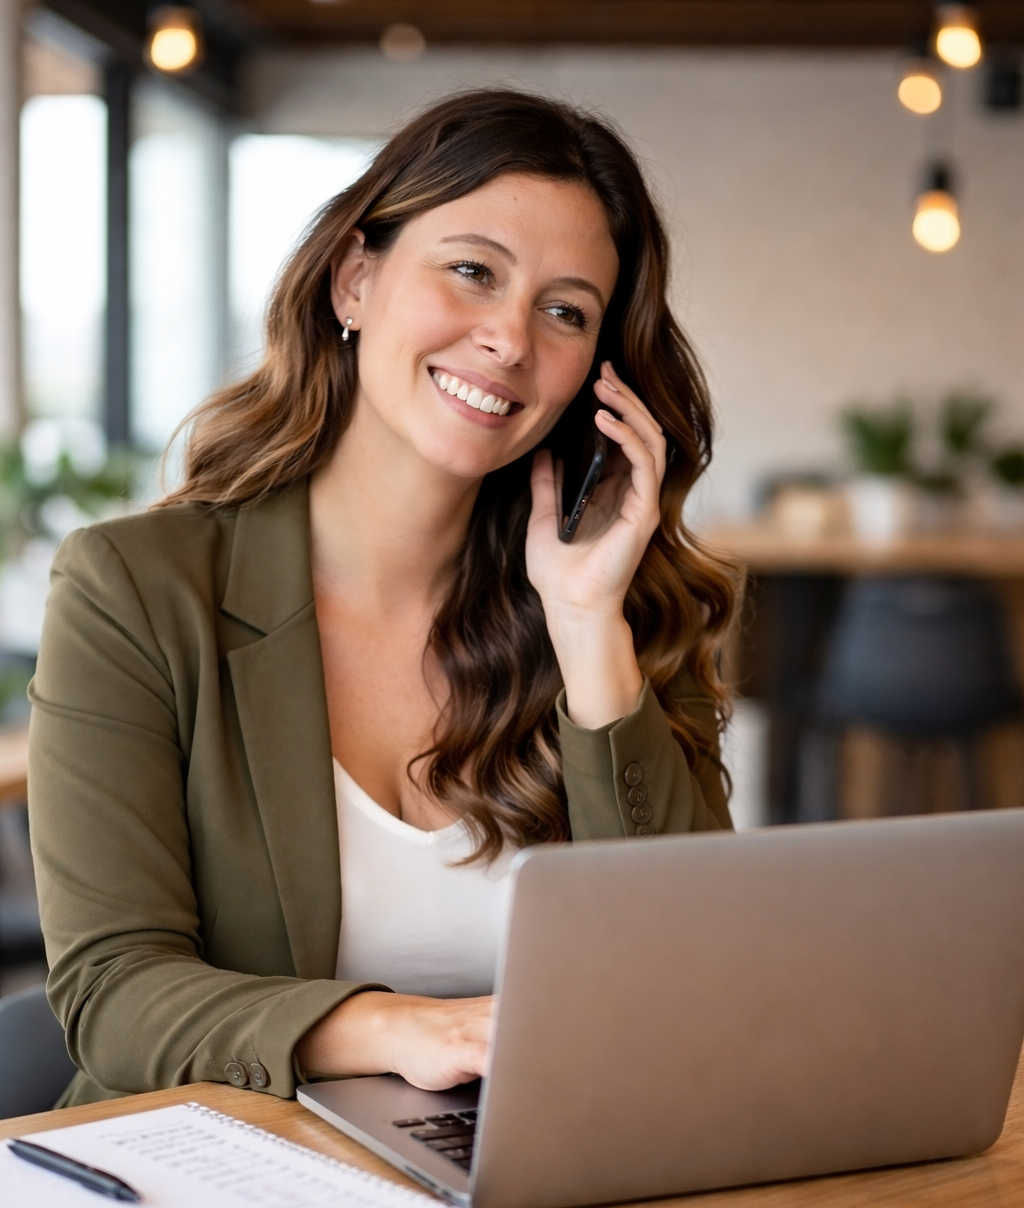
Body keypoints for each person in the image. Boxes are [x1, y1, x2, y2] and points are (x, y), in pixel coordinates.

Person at [28, 90, 738, 1109]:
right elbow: (114, 990)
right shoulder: (136, 588)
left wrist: (588, 628)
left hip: (529, 1159)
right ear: (355, 279)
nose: (507, 337)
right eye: (471, 270)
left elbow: (697, 966)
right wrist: (409, 1028)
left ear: (594, 370)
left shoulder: (609, 611)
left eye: (564, 309)